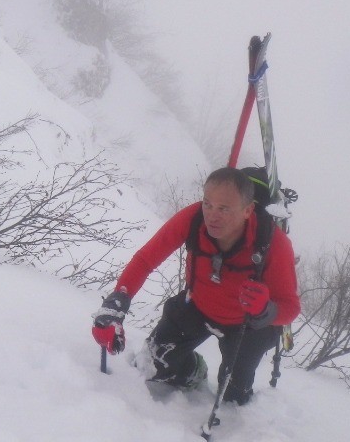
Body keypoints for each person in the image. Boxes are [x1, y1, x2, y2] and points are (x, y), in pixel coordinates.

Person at [91, 167, 300, 404]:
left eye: (224, 208)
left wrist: (267, 311)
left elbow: (291, 307)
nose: (212, 215)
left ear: (248, 210)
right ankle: (194, 371)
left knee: (233, 397)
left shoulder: (272, 243)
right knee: (153, 365)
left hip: (249, 325)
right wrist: (117, 302)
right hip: (198, 305)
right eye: (207, 204)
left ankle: (236, 397)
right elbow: (145, 260)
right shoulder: (193, 219)